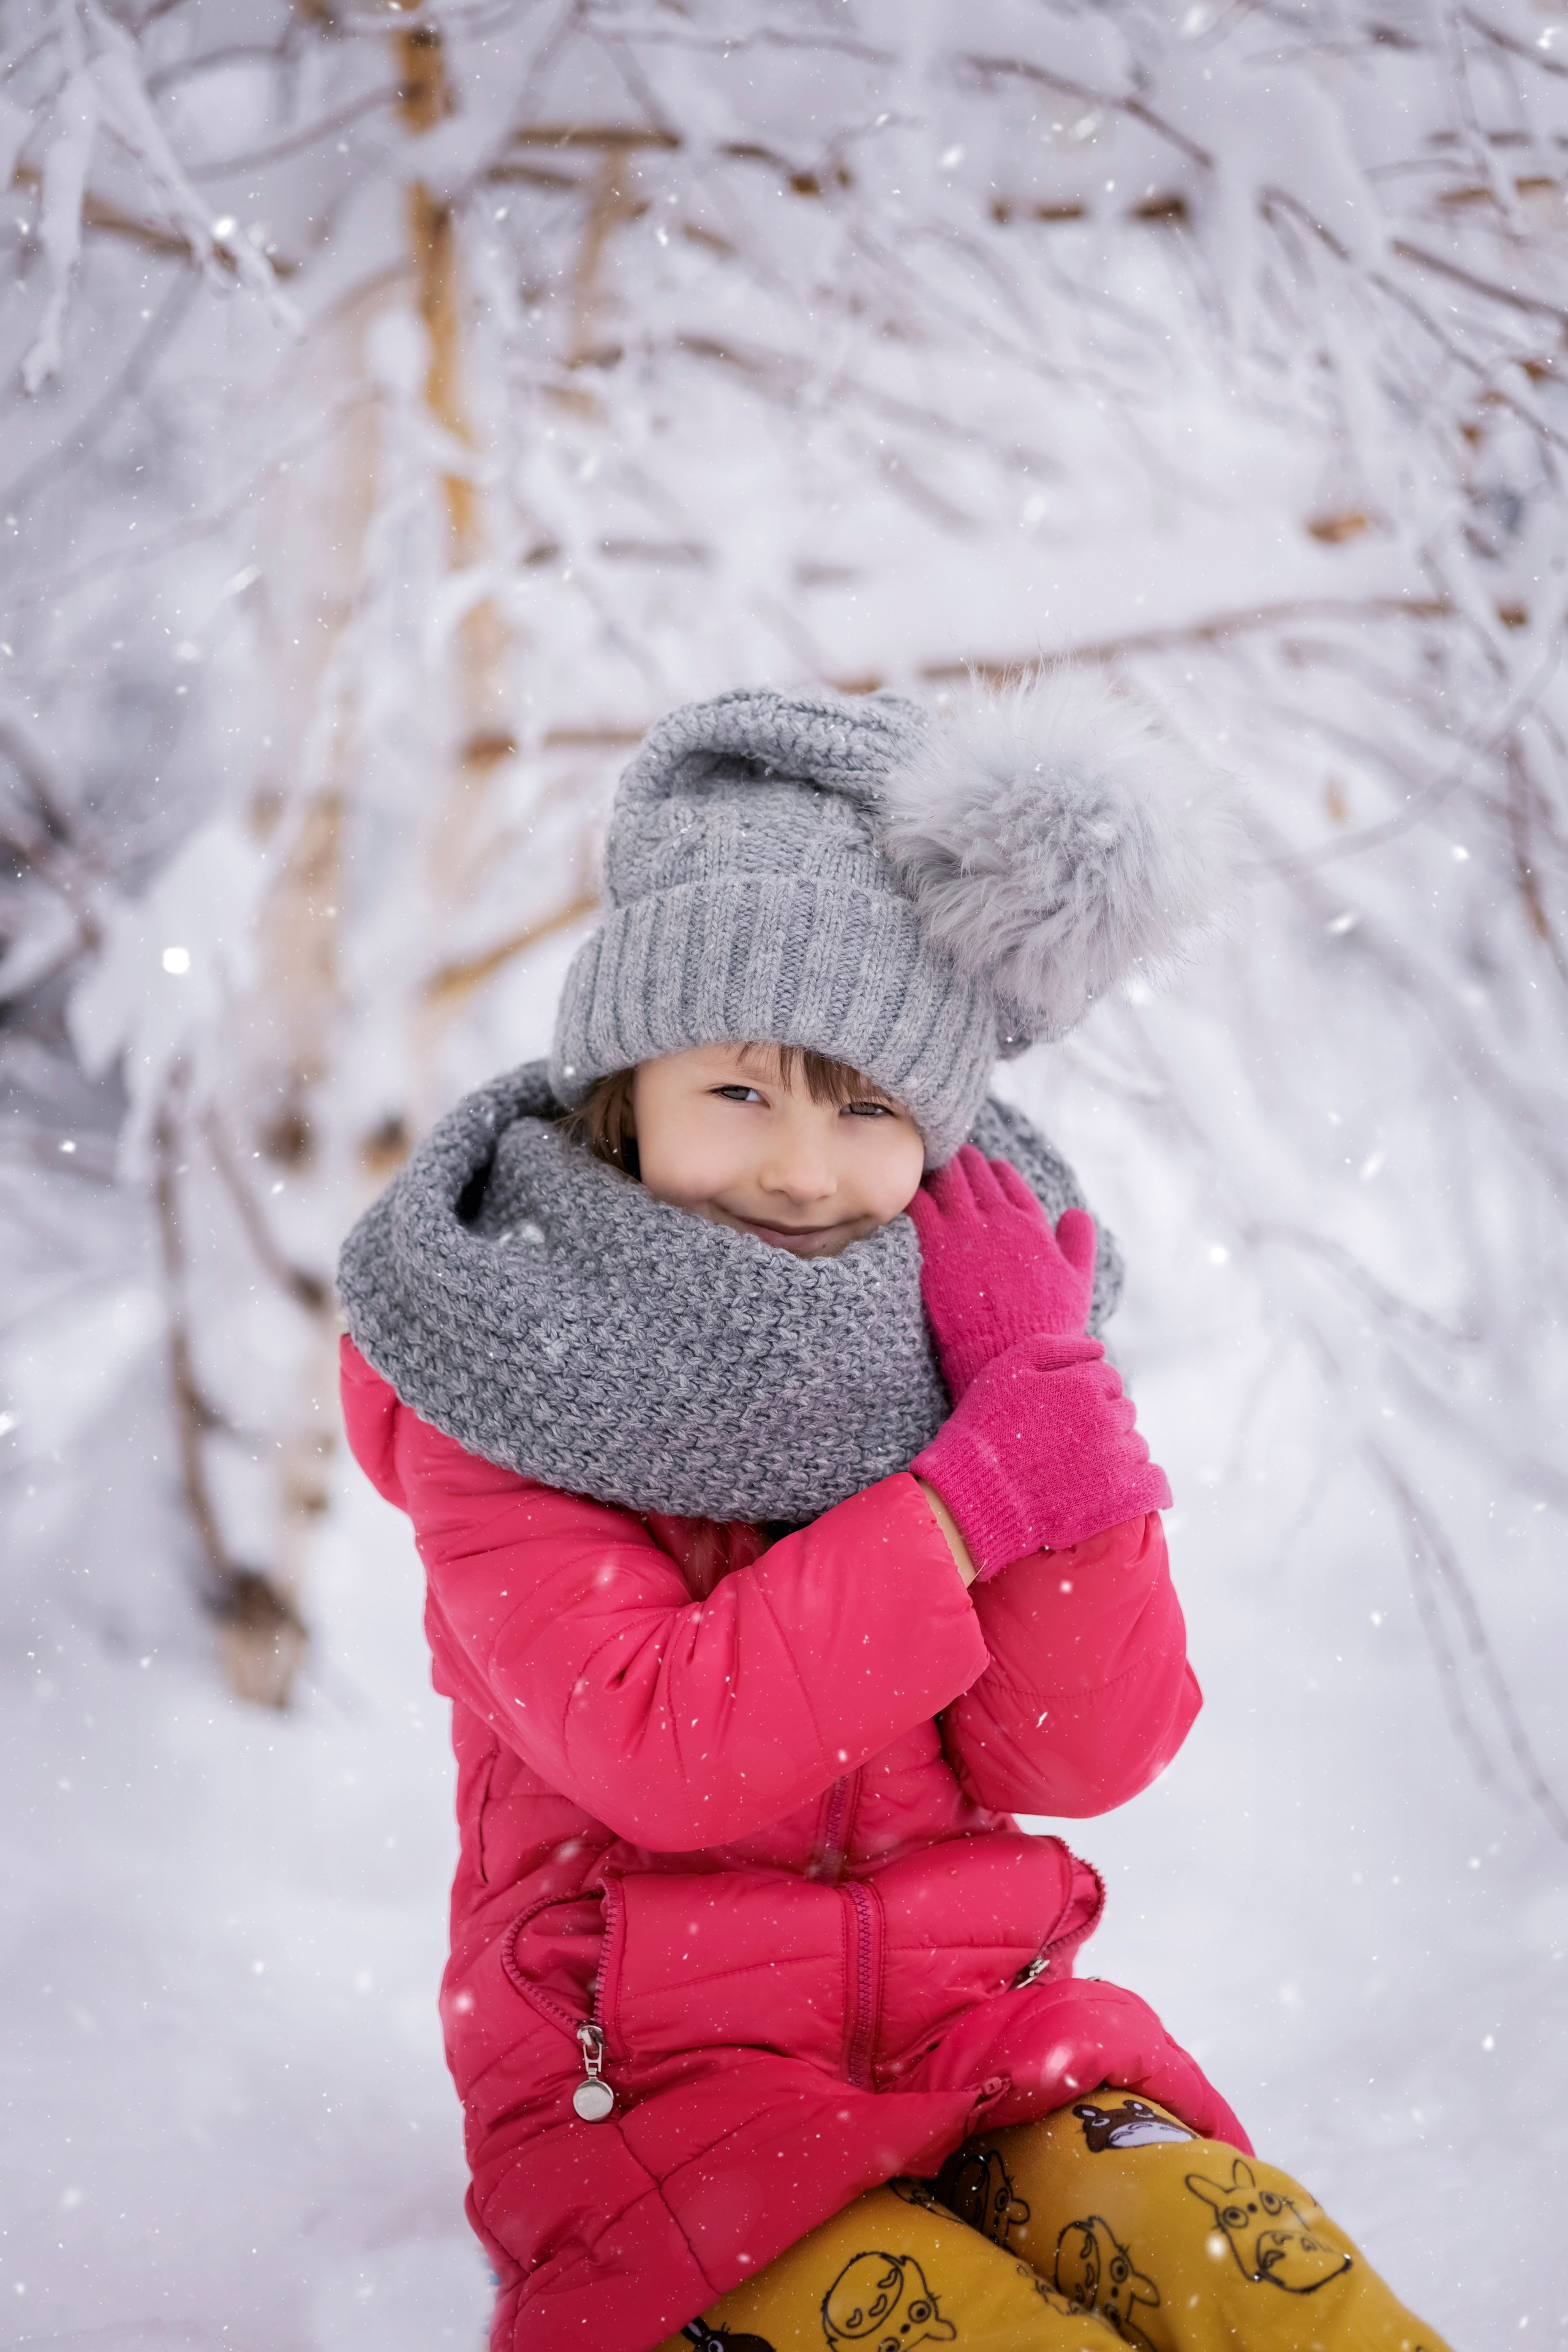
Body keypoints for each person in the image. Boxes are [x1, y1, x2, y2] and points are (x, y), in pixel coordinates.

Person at [337, 681, 1449, 2352]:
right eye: (743, 1092)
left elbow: (1083, 1753)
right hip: (659, 2114)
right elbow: (663, 1746)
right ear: (628, 1085)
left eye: (869, 1107)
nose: (804, 1167)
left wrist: (1053, 1426)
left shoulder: (965, 1346)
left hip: (986, 2044)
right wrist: (970, 1498)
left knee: (1281, 2301)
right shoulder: (510, 1368)